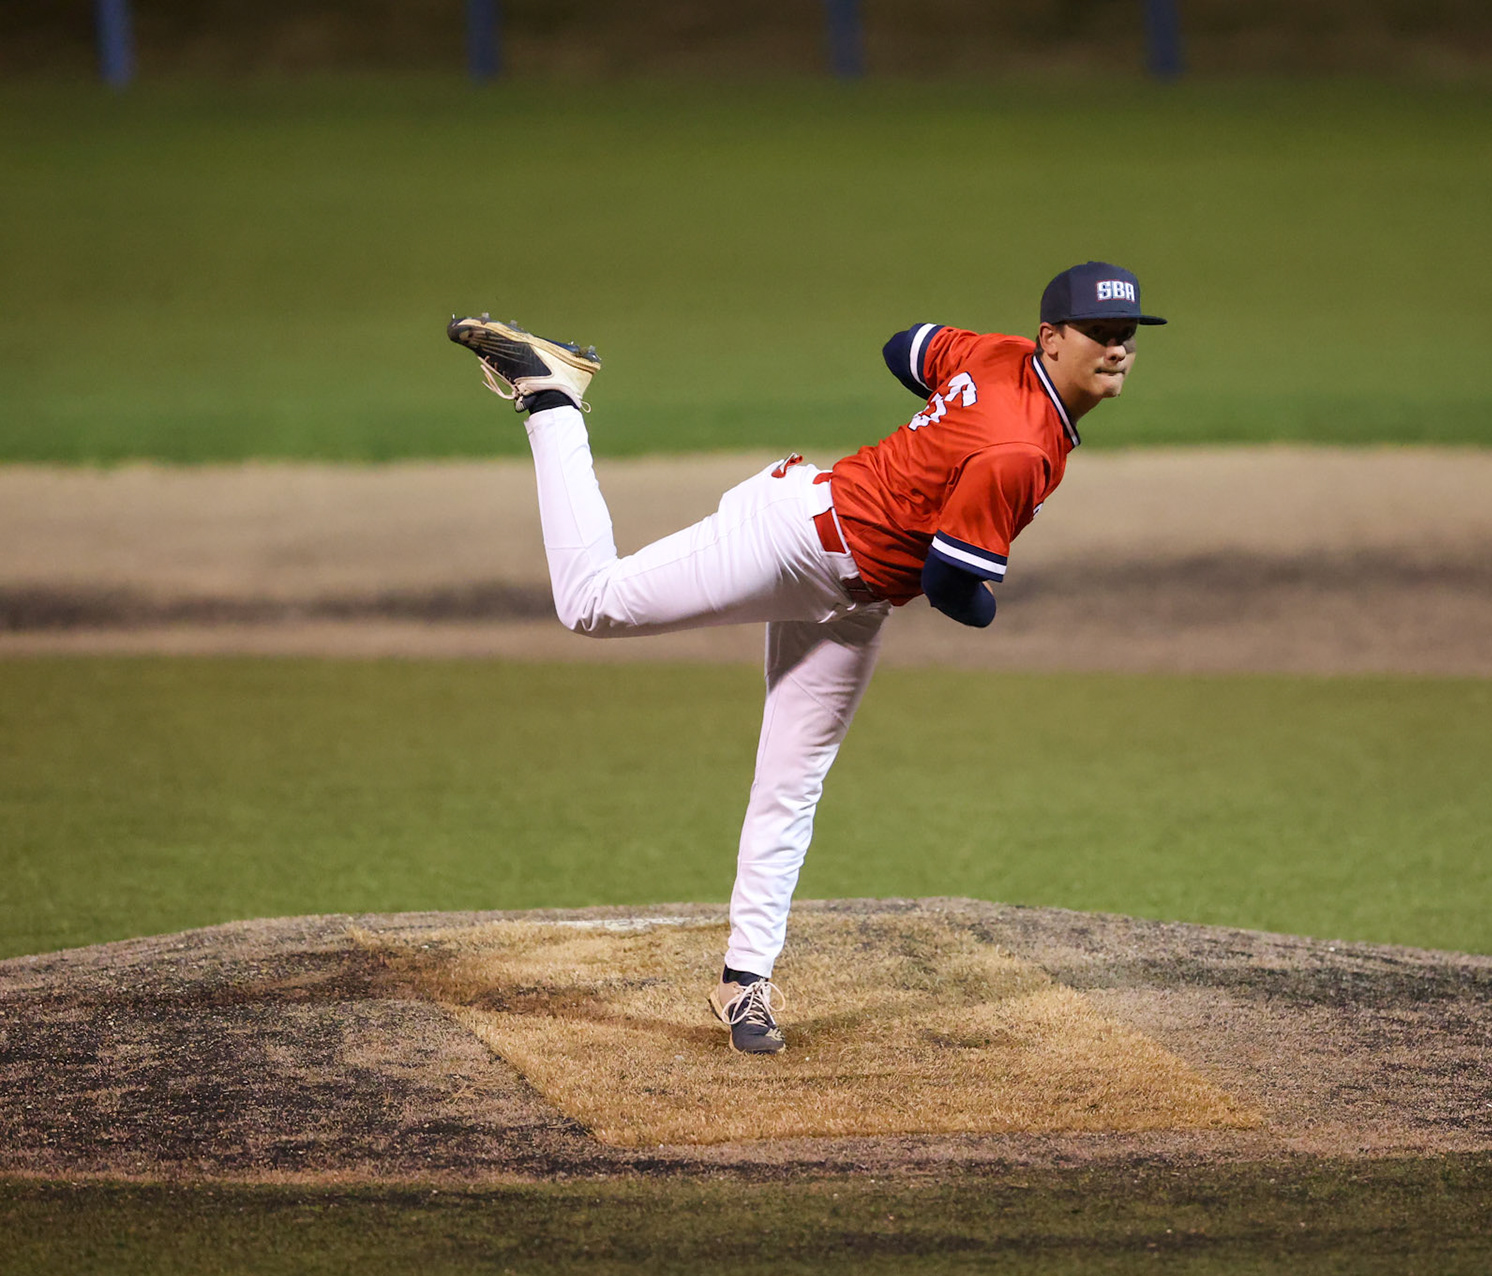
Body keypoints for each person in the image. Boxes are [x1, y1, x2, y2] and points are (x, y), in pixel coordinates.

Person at [447, 262, 1165, 1054]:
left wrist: (941, 425)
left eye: (1126, 335)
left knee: (792, 781)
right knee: (591, 602)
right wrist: (994, 591)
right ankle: (550, 396)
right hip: (791, 540)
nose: (1118, 349)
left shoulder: (994, 357)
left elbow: (906, 348)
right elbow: (955, 588)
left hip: (851, 599)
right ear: (1053, 338)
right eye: (1100, 334)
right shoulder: (1018, 451)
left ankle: (744, 982)